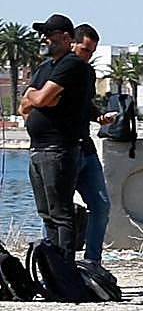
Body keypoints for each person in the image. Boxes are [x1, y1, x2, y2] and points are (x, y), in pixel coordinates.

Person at [19, 13, 91, 258]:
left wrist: (38, 99)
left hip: (58, 149)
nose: (44, 38)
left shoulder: (71, 65)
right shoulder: (44, 68)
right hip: (37, 149)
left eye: (49, 34)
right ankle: (52, 267)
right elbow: (24, 106)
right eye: (43, 33)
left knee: (61, 213)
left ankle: (65, 268)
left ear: (66, 37)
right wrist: (40, 100)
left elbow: (37, 98)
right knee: (46, 214)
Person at [71, 24, 117, 266]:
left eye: (91, 52)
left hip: (85, 148)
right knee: (59, 213)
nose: (87, 56)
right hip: (63, 150)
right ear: (72, 44)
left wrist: (100, 117)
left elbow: (85, 106)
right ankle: (59, 265)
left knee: (100, 205)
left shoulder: (87, 74)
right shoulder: (56, 70)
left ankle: (92, 263)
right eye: (84, 50)